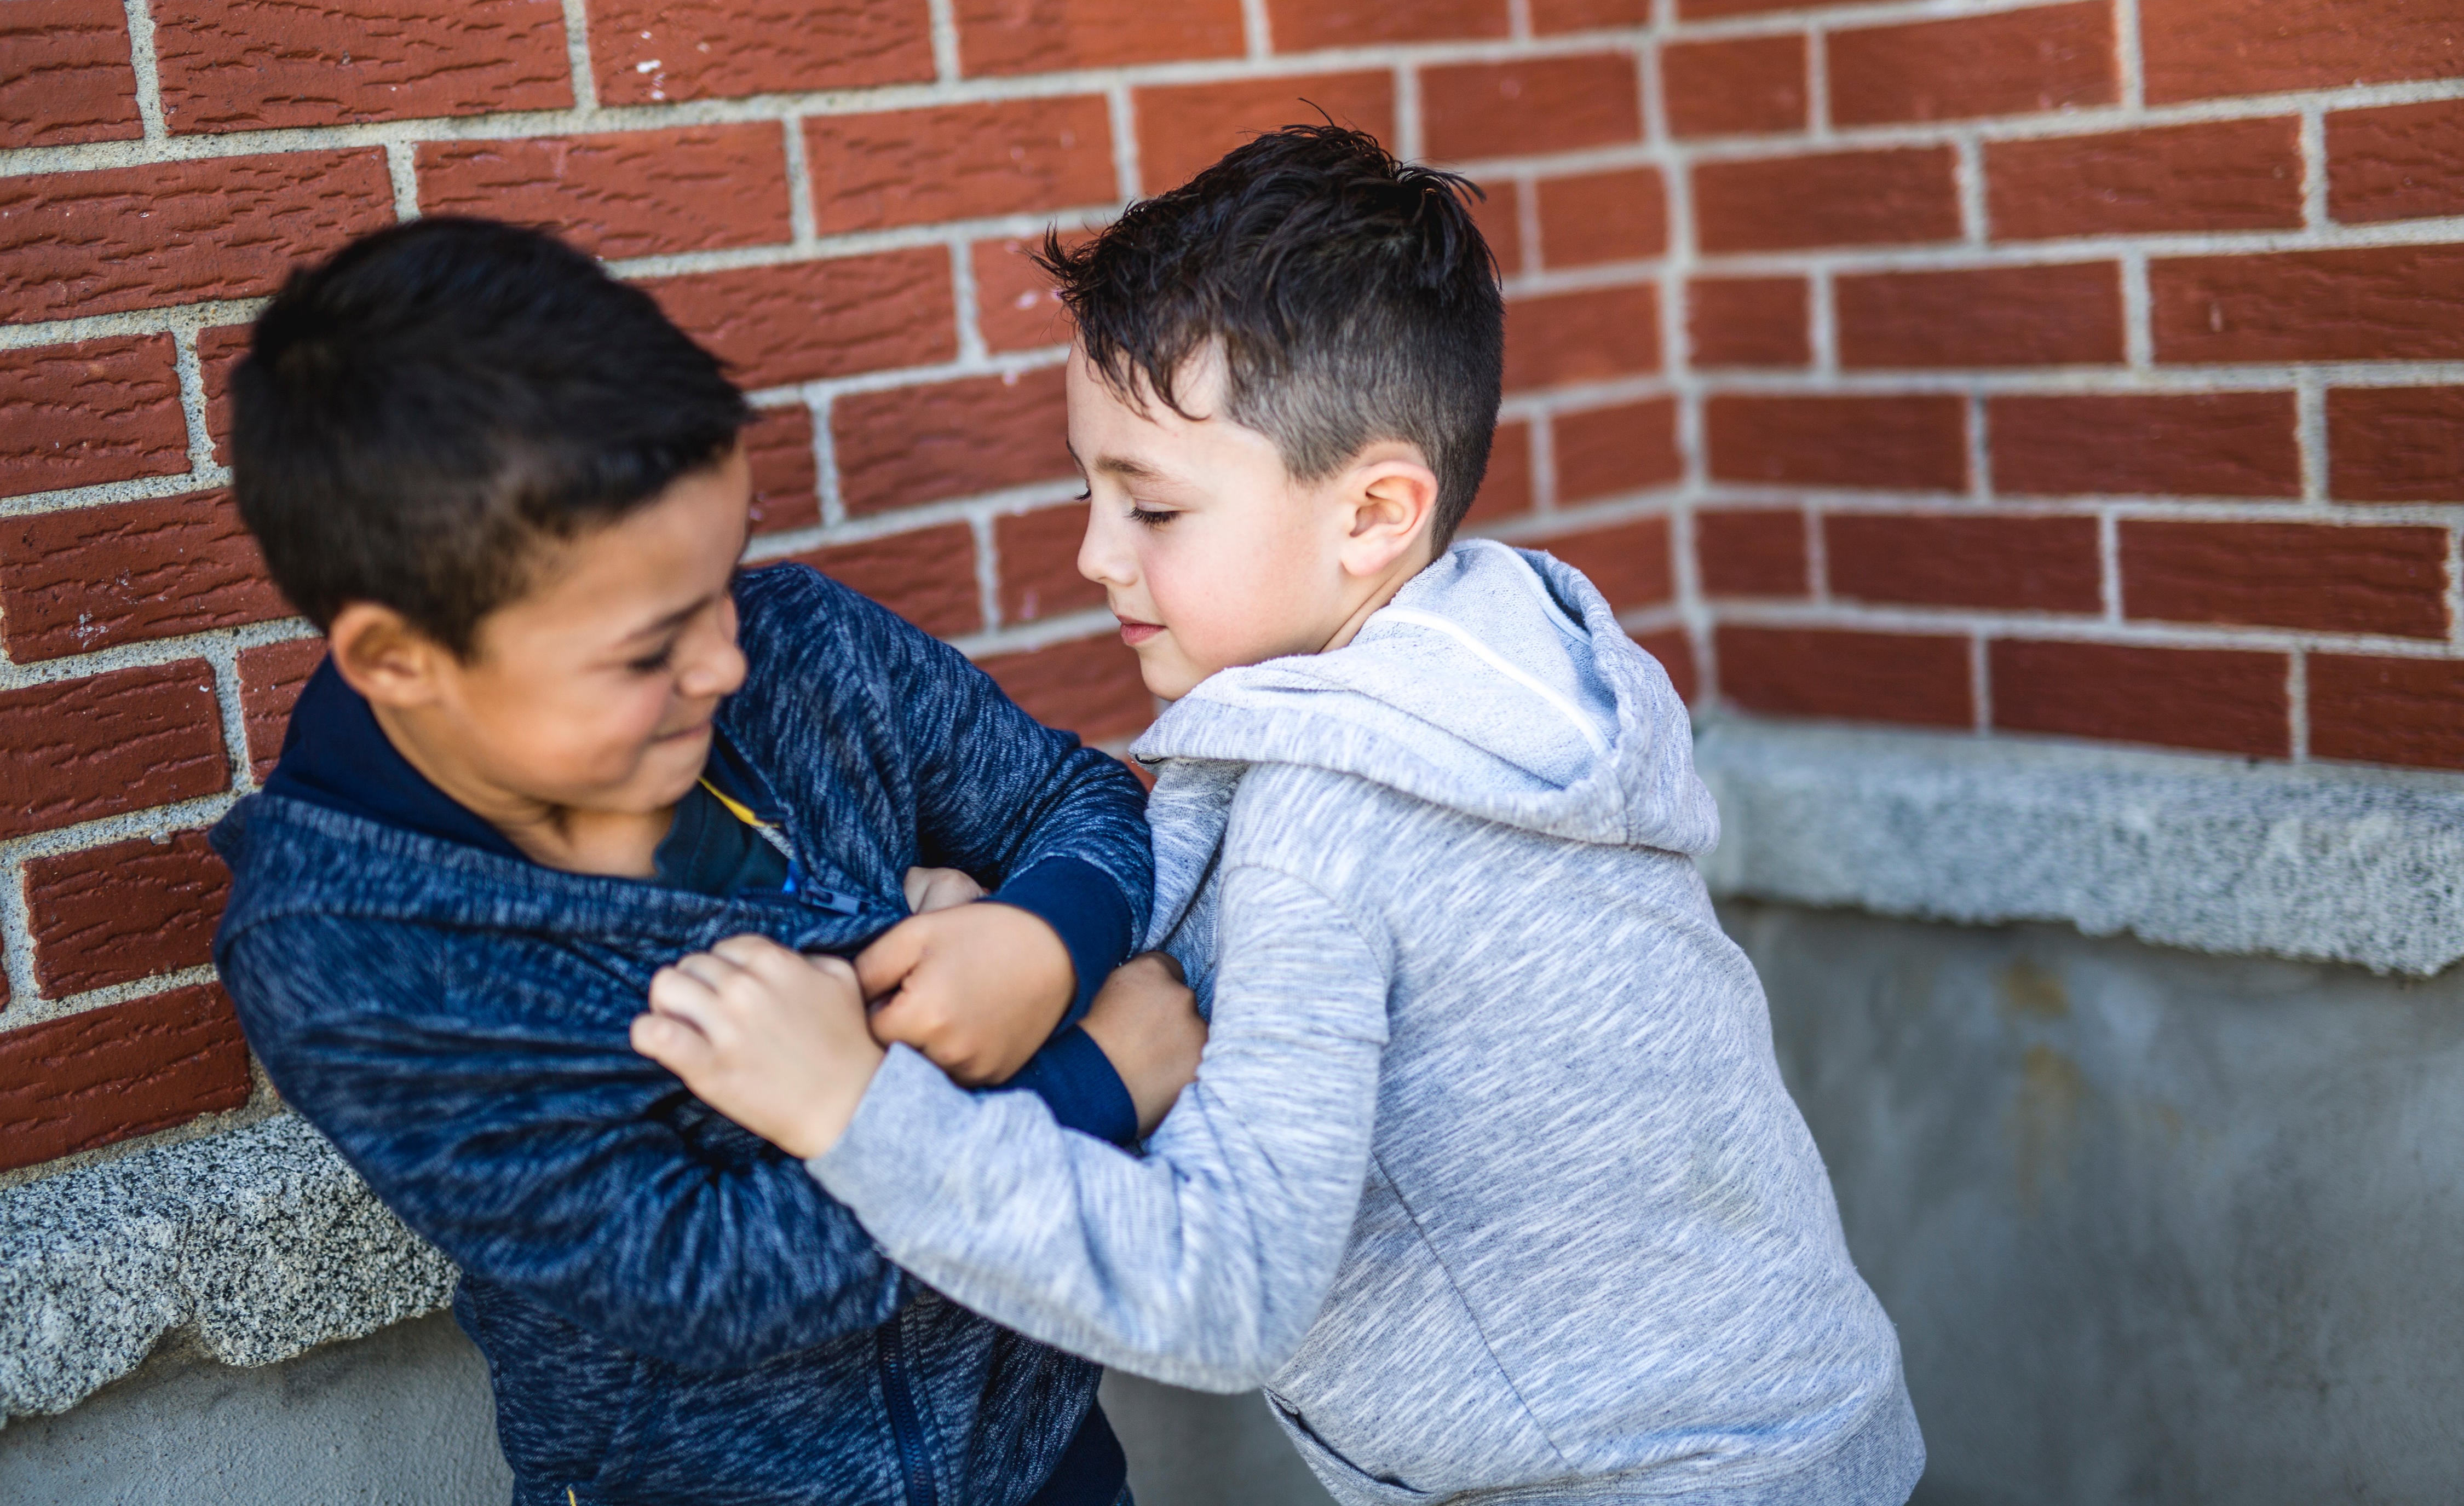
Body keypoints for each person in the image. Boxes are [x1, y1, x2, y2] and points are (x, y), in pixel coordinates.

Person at [635, 126, 1926, 1506]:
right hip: (1791, 1423)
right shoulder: (1505, 678)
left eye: (1154, 507)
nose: (1092, 552)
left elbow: (1228, 1288)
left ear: (1374, 512)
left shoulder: (1334, 815)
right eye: (1092, 490)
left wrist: (857, 1111)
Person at [208, 217, 1205, 1506]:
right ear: (402, 661)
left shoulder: (805, 652)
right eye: (647, 648)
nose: (727, 662)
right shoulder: (346, 944)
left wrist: (1044, 939)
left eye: (722, 581)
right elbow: (706, 1276)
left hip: (1043, 1450)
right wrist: (1086, 1083)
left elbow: (1072, 797)